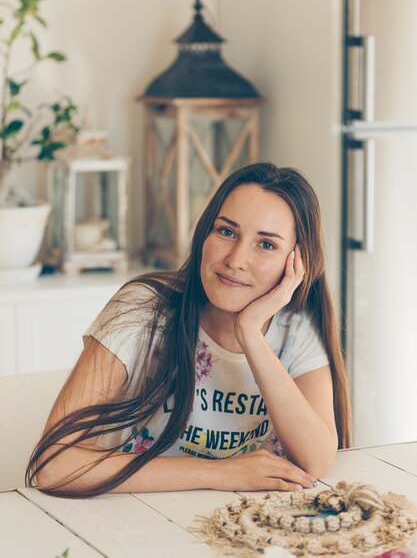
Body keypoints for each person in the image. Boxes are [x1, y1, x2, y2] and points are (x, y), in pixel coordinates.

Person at [27, 162, 352, 498]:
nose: (236, 259)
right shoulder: (143, 309)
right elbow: (54, 464)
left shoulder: (296, 328)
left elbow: (315, 459)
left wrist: (250, 333)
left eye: (266, 244)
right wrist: (221, 473)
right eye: (226, 231)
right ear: (205, 234)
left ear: (296, 263)